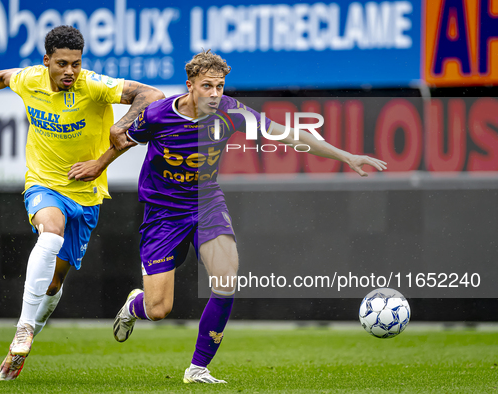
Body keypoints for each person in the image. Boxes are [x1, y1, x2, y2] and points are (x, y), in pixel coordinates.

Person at [96, 49, 386, 384]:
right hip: (163, 213)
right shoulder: (159, 114)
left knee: (226, 280)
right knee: (159, 309)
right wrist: (97, 165)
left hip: (206, 203)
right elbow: (124, 142)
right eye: (207, 86)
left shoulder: (232, 112)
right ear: (189, 85)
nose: (215, 94)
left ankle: (198, 369)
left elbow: (290, 135)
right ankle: (136, 306)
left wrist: (345, 155)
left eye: (220, 86)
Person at [0, 25, 164, 381]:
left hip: (86, 194)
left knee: (53, 286)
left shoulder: (94, 85)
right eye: (62, 64)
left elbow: (153, 94)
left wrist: (122, 130)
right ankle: (23, 328)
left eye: (76, 64)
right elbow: (1, 77)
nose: (70, 71)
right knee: (50, 233)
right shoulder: (30, 80)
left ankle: (26, 339)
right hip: (44, 184)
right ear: (47, 61)